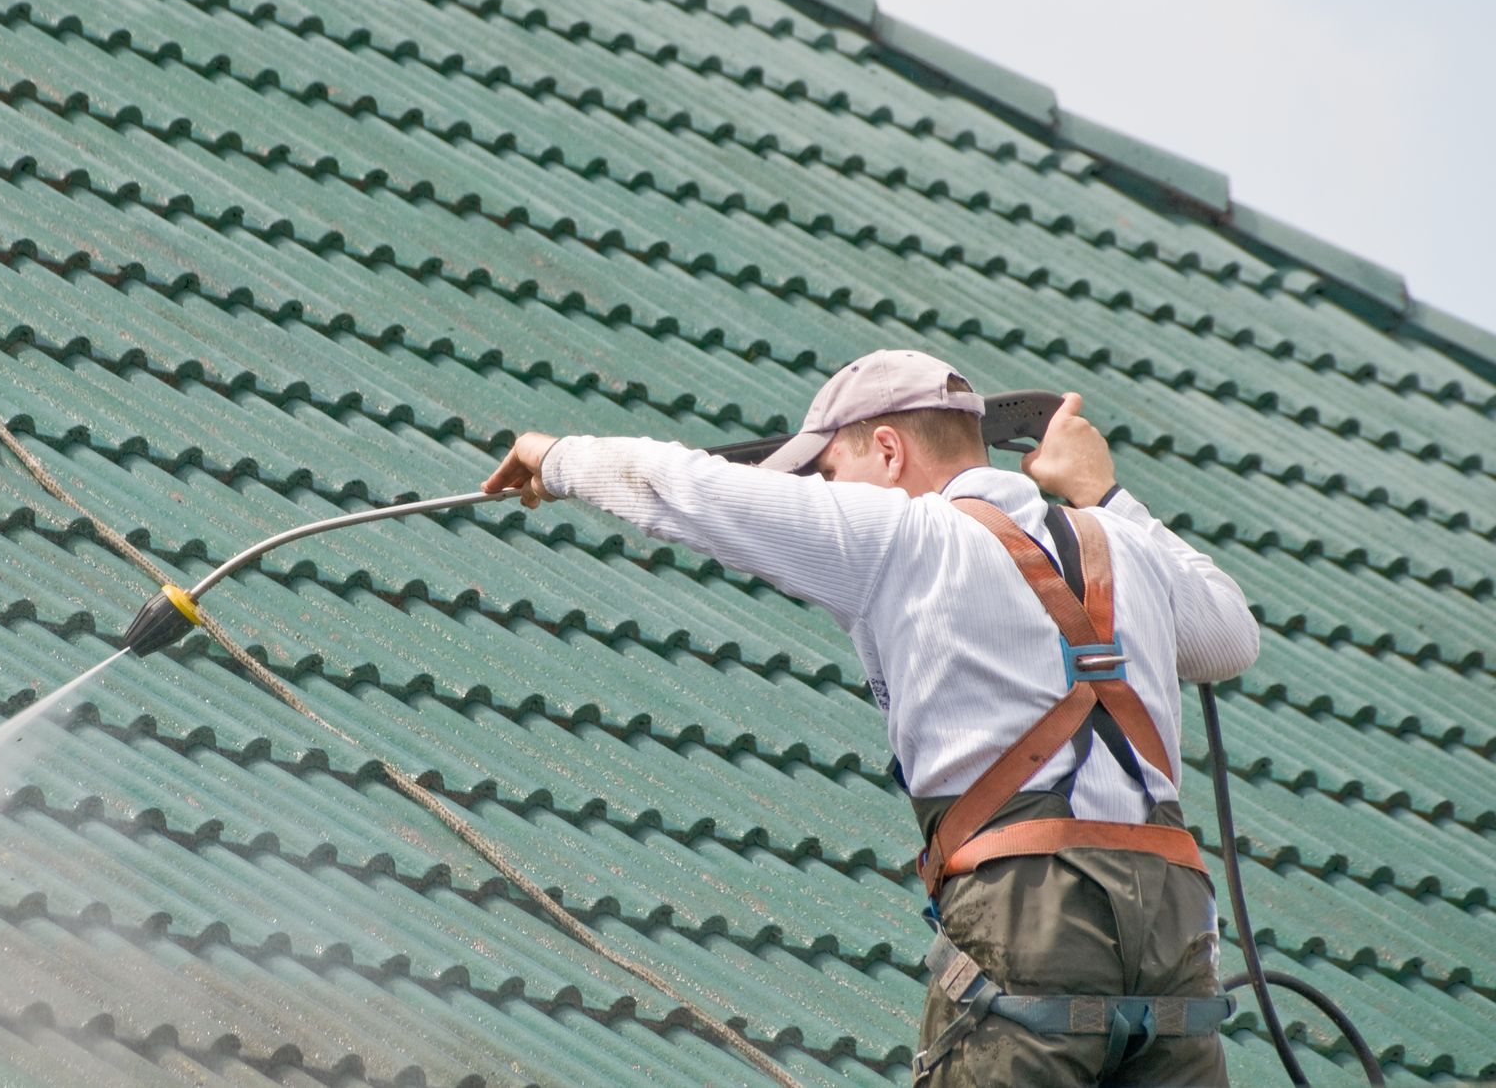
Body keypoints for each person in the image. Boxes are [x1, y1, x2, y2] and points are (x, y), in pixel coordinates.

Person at [482, 349, 1259, 1086]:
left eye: (830, 469)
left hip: (1034, 911)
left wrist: (554, 459)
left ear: (888, 450)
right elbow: (1230, 634)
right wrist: (1105, 491)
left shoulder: (900, 536)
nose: (827, 490)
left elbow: (683, 488)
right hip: (1175, 930)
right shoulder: (1126, 546)